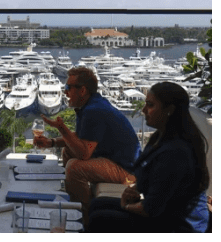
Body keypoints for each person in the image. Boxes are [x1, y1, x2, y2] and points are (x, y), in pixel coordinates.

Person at [87, 82, 211, 232]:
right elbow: (149, 181)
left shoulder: (176, 152)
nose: (144, 110)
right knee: (97, 205)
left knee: (99, 218)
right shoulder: (161, 138)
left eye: (150, 105)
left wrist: (126, 206)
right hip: (164, 214)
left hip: (180, 225)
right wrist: (133, 191)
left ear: (169, 110)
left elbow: (150, 208)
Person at [34, 67, 141, 221]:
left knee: (74, 168)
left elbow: (83, 153)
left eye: (68, 88)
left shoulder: (94, 110)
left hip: (126, 169)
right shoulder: (90, 105)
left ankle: (83, 217)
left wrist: (61, 128)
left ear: (82, 90)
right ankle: (74, 193)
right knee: (67, 152)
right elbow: (82, 138)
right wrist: (51, 142)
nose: (65, 92)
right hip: (115, 160)